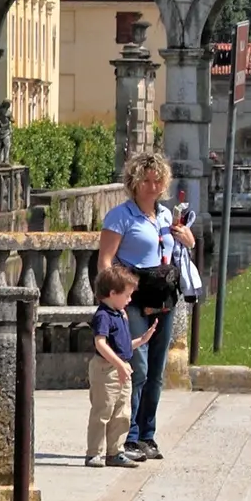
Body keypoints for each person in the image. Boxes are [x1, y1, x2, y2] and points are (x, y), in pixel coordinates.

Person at [95, 152, 186, 462]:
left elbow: (177, 250)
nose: (151, 186)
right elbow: (105, 261)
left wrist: (187, 238)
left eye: (157, 180)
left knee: (157, 372)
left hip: (163, 299)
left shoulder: (165, 216)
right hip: (132, 301)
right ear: (133, 183)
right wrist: (111, 302)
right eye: (145, 180)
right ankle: (129, 436)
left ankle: (147, 434)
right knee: (138, 368)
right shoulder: (120, 216)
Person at [84, 262, 144, 467]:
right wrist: (118, 364)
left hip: (122, 367)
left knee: (122, 412)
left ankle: (115, 451)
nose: (129, 299)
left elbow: (123, 345)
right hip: (106, 368)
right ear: (112, 293)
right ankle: (94, 452)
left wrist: (141, 340)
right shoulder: (103, 316)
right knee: (103, 411)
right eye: (126, 295)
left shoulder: (120, 314)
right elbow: (100, 343)